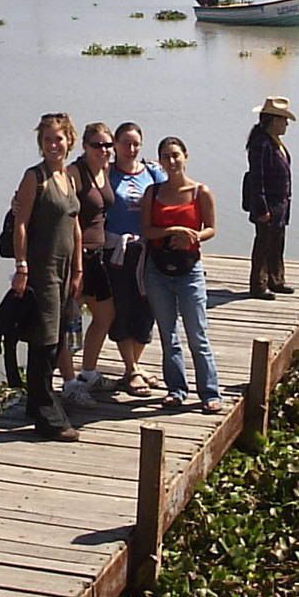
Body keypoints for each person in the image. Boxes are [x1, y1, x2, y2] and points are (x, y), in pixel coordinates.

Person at [11, 113, 84, 442]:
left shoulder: (69, 177)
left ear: (70, 140)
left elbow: (75, 225)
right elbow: (21, 224)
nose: (53, 145)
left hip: (65, 271)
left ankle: (36, 402)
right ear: (40, 144)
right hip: (42, 271)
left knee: (57, 338)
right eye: (47, 139)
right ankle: (47, 415)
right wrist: (22, 266)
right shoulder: (35, 177)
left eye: (59, 138)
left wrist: (78, 269)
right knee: (45, 341)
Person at [141, 136, 222, 413]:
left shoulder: (200, 192)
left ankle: (209, 392)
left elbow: (211, 228)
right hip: (158, 270)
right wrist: (171, 231)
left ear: (186, 156)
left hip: (190, 271)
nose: (172, 161)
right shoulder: (152, 193)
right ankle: (176, 390)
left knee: (197, 334)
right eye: (166, 156)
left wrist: (193, 236)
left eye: (176, 155)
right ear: (160, 160)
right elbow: (146, 230)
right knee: (168, 335)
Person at [59, 122, 120, 408]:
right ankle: (69, 383)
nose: (103, 150)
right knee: (67, 324)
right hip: (76, 257)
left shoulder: (104, 170)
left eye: (108, 145)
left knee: (105, 314)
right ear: (84, 146)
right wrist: (76, 267)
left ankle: (88, 372)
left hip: (98, 256)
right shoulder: (74, 174)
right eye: (97, 145)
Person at [105, 122, 166, 396]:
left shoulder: (153, 173)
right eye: (125, 143)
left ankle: (135, 367)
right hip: (117, 254)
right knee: (122, 309)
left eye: (135, 144)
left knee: (146, 309)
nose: (131, 149)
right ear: (115, 145)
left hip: (148, 251)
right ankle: (131, 370)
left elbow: (173, 195)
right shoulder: (105, 173)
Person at [245, 96, 296, 300]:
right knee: (264, 244)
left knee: (277, 242)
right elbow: (257, 178)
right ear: (274, 120)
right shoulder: (261, 144)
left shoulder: (274, 142)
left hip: (280, 204)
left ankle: (276, 280)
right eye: (284, 120)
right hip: (268, 204)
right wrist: (262, 208)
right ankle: (259, 285)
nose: (286, 124)